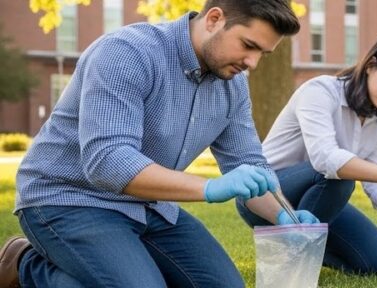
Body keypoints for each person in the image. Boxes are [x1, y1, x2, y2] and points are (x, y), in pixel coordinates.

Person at [0, 1, 320, 287]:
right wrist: (209, 188)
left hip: (151, 206)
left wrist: (285, 217)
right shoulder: (127, 52)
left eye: (262, 53)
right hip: (71, 199)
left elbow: (249, 163)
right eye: (248, 45)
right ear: (214, 19)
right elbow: (108, 161)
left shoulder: (233, 85)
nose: (252, 63)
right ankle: (25, 264)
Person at [236, 32, 377, 275]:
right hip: (265, 196)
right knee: (338, 178)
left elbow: (376, 185)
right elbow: (326, 160)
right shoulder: (320, 91)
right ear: (371, 65)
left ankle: (303, 250)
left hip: (320, 199)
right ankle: (293, 262)